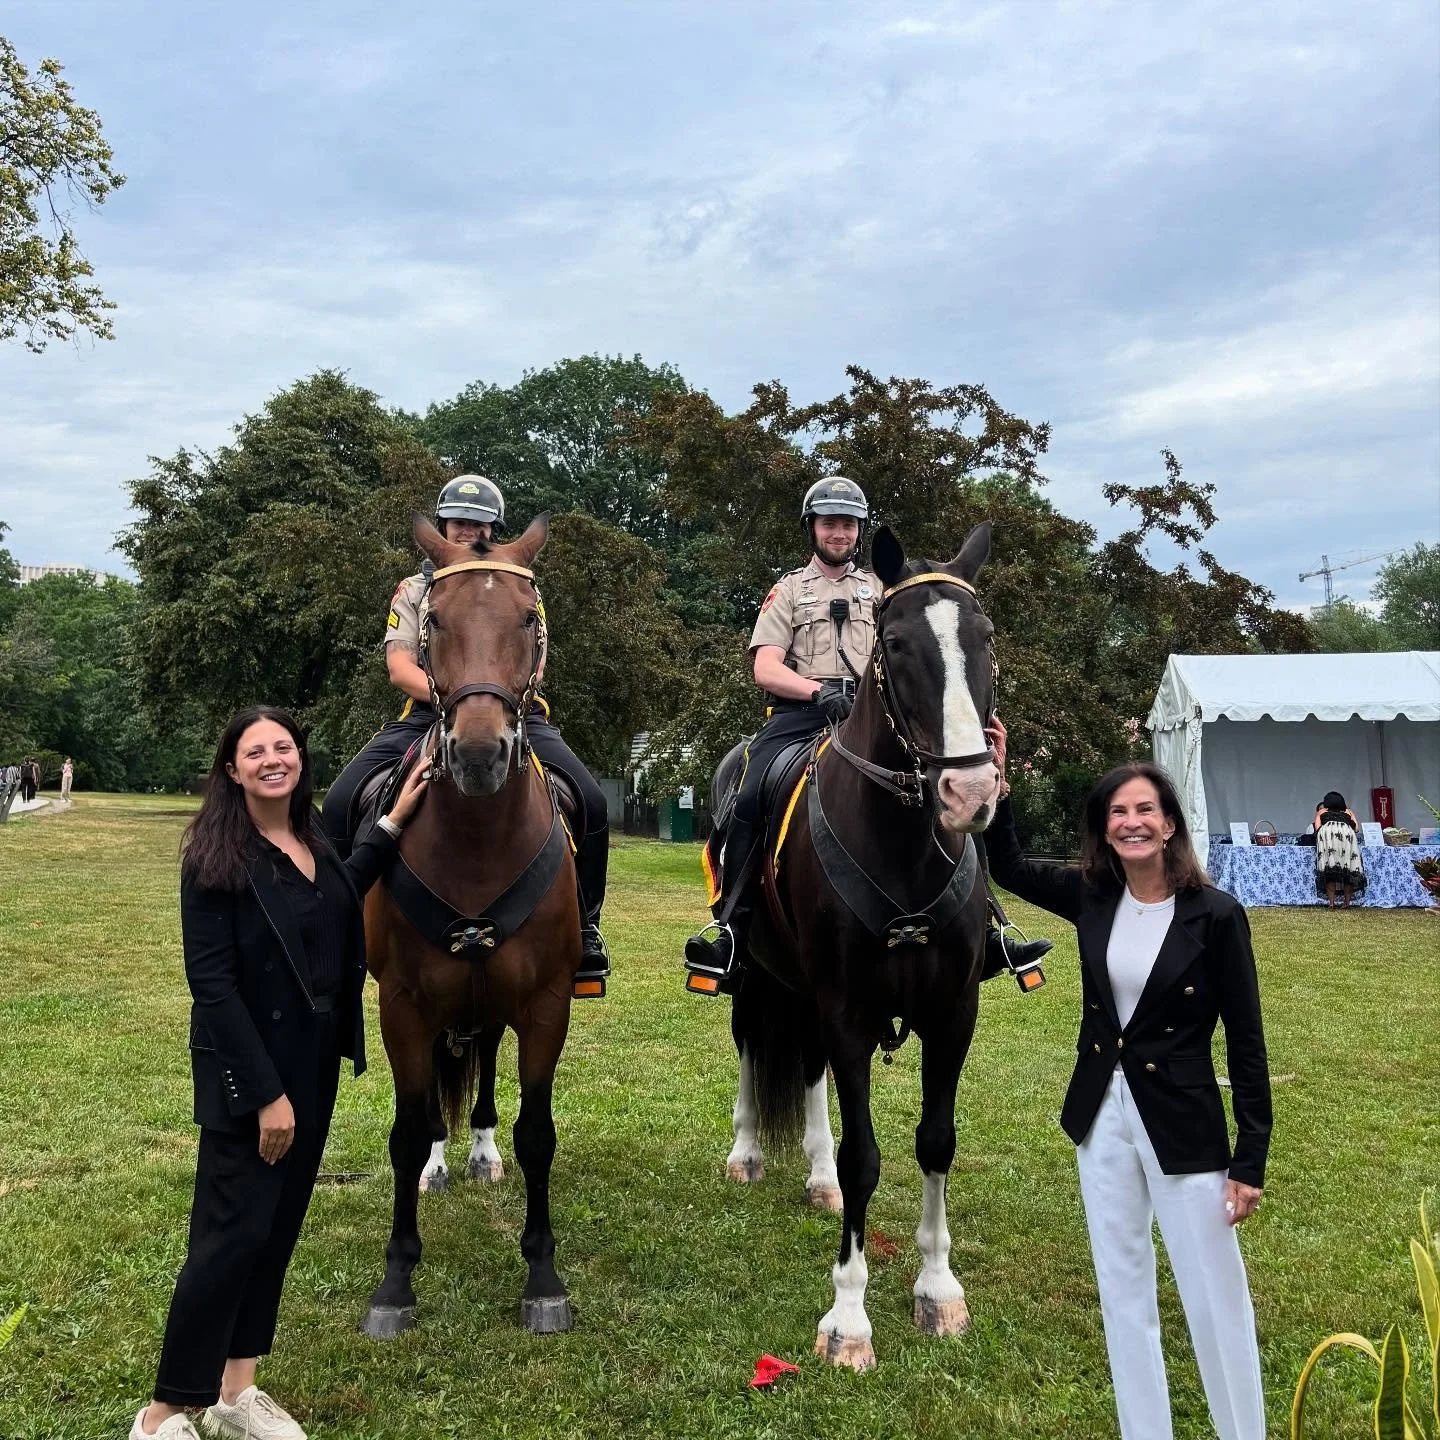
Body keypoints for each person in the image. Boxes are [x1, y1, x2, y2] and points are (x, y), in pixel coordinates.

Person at [132, 706, 429, 1440]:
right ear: (232, 770)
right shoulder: (215, 856)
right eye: (255, 751)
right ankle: (163, 1413)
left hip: (314, 1059)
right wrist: (266, 1096)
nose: (273, 759)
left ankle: (235, 1393)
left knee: (276, 1230)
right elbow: (212, 986)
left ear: (300, 758)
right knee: (228, 1237)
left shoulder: (310, 838)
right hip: (252, 1072)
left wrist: (392, 821)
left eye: (284, 746)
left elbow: (344, 890)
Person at [985, 722, 1270, 1440]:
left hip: (1184, 1124)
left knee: (1214, 1298)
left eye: (1145, 809)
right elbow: (1007, 865)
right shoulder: (1094, 896)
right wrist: (999, 782)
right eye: (1118, 812)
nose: (1132, 822)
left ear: (1170, 824)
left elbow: (1246, 1041)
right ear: (1104, 829)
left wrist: (1250, 1160)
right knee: (1123, 1293)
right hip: (1101, 1115)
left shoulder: (1217, 917)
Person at [683, 478, 1051, 993]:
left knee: (950, 783)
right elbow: (765, 667)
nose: (839, 533)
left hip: (877, 715)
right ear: (812, 528)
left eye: (849, 524)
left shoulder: (884, 589)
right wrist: (817, 692)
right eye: (829, 523)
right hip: (800, 714)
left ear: (860, 532)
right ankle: (732, 927)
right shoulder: (789, 590)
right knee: (749, 789)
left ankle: (988, 924)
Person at [319, 475, 612, 989]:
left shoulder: (520, 583)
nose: (466, 530)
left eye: (477, 523)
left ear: (493, 529)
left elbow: (535, 663)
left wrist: (490, 703)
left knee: (591, 800)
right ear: (443, 525)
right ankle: (333, 923)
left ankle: (585, 928)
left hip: (513, 712)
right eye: (457, 521)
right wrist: (455, 700)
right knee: (341, 800)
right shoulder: (415, 589)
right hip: (428, 710)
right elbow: (400, 666)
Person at [1313, 790, 1365, 908]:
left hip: (1328, 840)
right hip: (1346, 840)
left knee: (1329, 870)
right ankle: (1346, 902)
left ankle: (1331, 902)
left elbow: (1317, 828)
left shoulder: (1321, 811)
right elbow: (1356, 828)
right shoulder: (1348, 811)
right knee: (1348, 870)